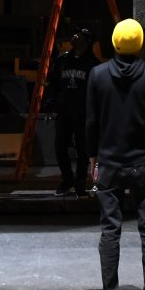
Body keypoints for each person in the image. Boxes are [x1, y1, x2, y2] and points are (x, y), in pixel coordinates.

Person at [86, 18, 145, 290]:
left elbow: (92, 122)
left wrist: (93, 156)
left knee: (110, 229)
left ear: (114, 42)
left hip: (109, 163)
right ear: (140, 44)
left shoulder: (97, 75)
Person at [46, 27, 97, 196]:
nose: (75, 35)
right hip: (64, 111)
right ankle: (67, 179)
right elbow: (53, 84)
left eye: (80, 34)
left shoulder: (92, 64)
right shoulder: (62, 60)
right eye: (75, 33)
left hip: (83, 113)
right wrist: (51, 105)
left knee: (82, 149)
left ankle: (80, 181)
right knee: (60, 147)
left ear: (87, 41)